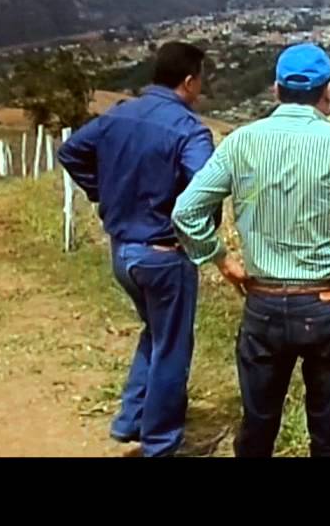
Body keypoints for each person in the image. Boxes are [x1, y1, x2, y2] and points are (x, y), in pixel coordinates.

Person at [171, 42, 330, 458]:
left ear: (276, 89)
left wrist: (222, 260)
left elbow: (187, 211)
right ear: (328, 91)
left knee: (257, 428)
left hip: (262, 303)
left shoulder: (241, 141)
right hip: (328, 304)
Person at [57, 41, 215, 458]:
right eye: (200, 78)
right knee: (173, 347)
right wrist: (204, 237)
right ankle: (161, 443)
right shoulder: (189, 129)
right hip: (163, 252)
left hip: (122, 250)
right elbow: (206, 189)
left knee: (156, 333)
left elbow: (70, 151)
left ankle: (132, 418)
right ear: (188, 80)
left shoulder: (118, 115)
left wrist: (100, 192)